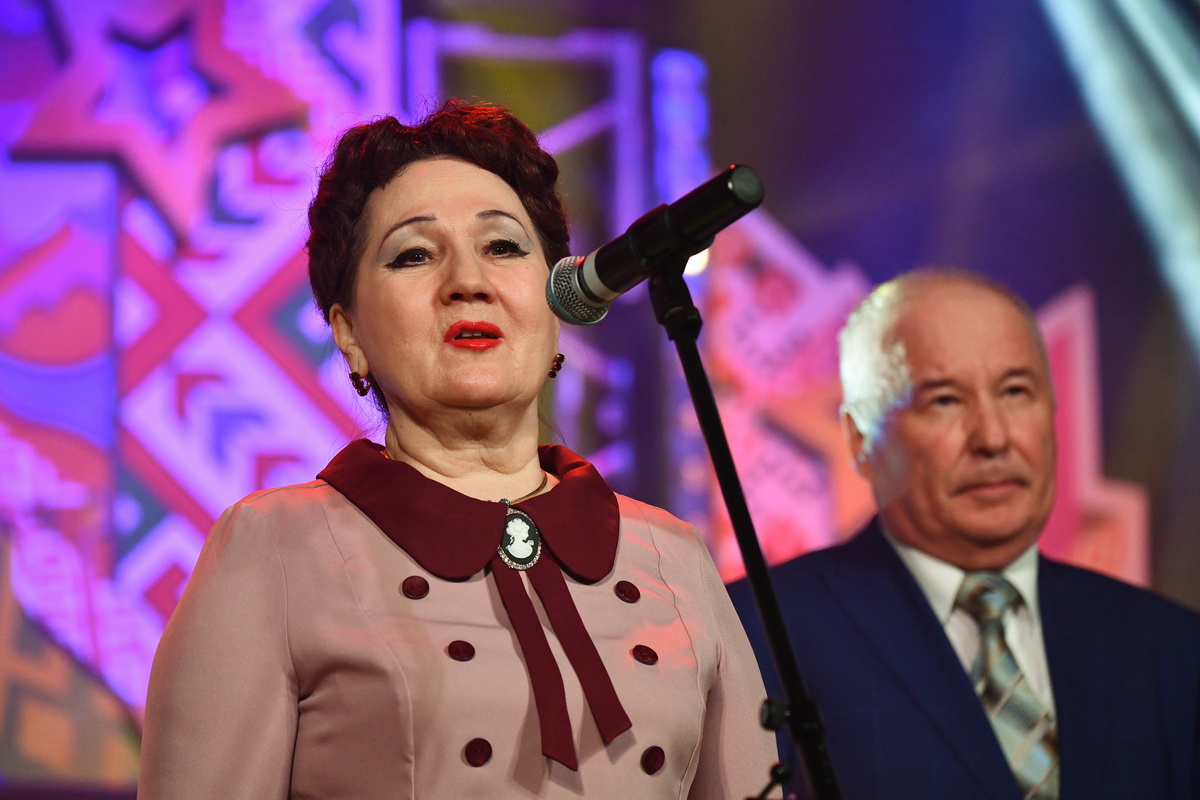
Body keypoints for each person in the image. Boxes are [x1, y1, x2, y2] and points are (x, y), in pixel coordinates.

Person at [138, 101, 777, 799]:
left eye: (503, 247)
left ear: (558, 304)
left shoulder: (672, 557)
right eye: (414, 255)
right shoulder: (276, 547)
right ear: (349, 333)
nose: (468, 282)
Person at [729, 268, 1200, 799]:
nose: (993, 438)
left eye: (1016, 391)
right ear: (860, 440)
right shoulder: (758, 633)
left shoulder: (1171, 649)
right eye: (944, 401)